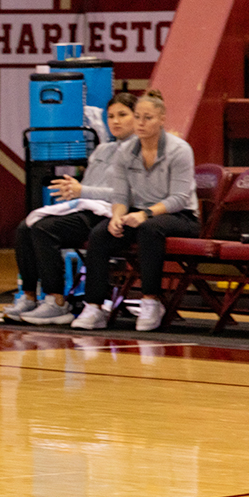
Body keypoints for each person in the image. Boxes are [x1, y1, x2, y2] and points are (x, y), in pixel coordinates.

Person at [71, 89, 199, 332]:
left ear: (161, 119)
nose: (140, 123)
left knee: (149, 229)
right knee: (101, 233)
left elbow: (180, 199)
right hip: (137, 213)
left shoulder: (179, 150)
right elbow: (121, 195)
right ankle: (94, 306)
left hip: (179, 216)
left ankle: (151, 300)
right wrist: (117, 216)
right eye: (138, 117)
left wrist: (145, 214)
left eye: (147, 118)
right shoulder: (125, 152)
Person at [6, 91, 139, 325]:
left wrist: (83, 191)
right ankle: (28, 297)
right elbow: (88, 189)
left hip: (111, 213)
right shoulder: (103, 150)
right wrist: (74, 191)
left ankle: (56, 301)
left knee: (45, 229)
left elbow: (128, 195)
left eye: (122, 115)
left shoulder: (139, 153)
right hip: (88, 208)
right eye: (110, 116)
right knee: (25, 228)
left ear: (136, 118)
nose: (115, 121)